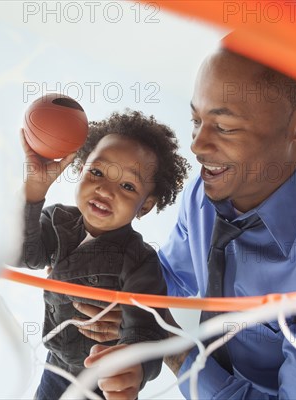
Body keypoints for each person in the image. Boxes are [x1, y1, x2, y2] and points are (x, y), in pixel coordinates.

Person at [79, 39, 296, 398]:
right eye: (196, 120)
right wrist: (119, 294)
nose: (196, 145)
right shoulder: (203, 194)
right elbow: (172, 277)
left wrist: (170, 348)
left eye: (224, 128)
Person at [13, 109, 190, 400]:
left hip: (103, 375)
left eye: (127, 186)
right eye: (97, 172)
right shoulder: (57, 220)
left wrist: (133, 370)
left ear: (145, 206)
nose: (105, 190)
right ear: (80, 168)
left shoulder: (139, 260)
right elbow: (22, 254)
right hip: (57, 364)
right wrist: (34, 188)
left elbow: (145, 331)